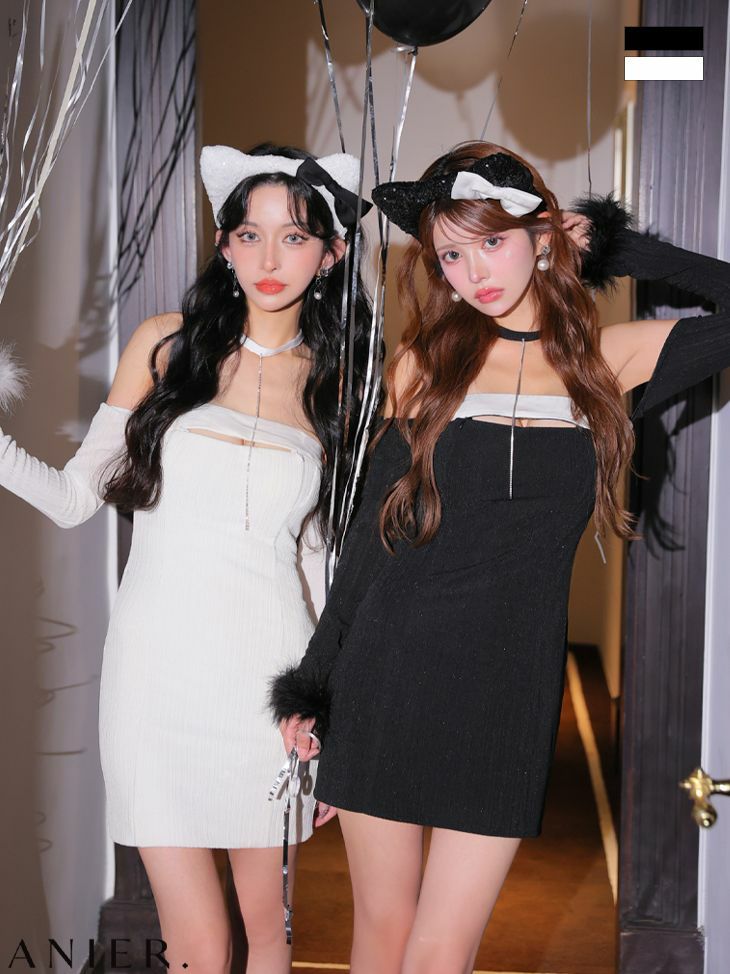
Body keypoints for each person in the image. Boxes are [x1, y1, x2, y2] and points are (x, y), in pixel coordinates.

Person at [270, 140, 730, 974]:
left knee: (445, 950)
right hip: (389, 672)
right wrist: (315, 685)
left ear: (541, 238)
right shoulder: (426, 365)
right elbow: (373, 539)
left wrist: (617, 244)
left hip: (510, 690)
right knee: (383, 934)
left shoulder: (611, 362)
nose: (473, 271)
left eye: (491, 241)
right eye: (451, 254)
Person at [0, 142, 373, 974]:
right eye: (249, 235)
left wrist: (327, 707)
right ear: (223, 244)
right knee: (198, 947)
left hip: (268, 684)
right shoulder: (165, 347)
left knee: (268, 933)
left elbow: (321, 567)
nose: (269, 259)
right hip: (154, 681)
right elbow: (72, 498)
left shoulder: (340, 384)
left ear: (331, 253)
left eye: (294, 237)